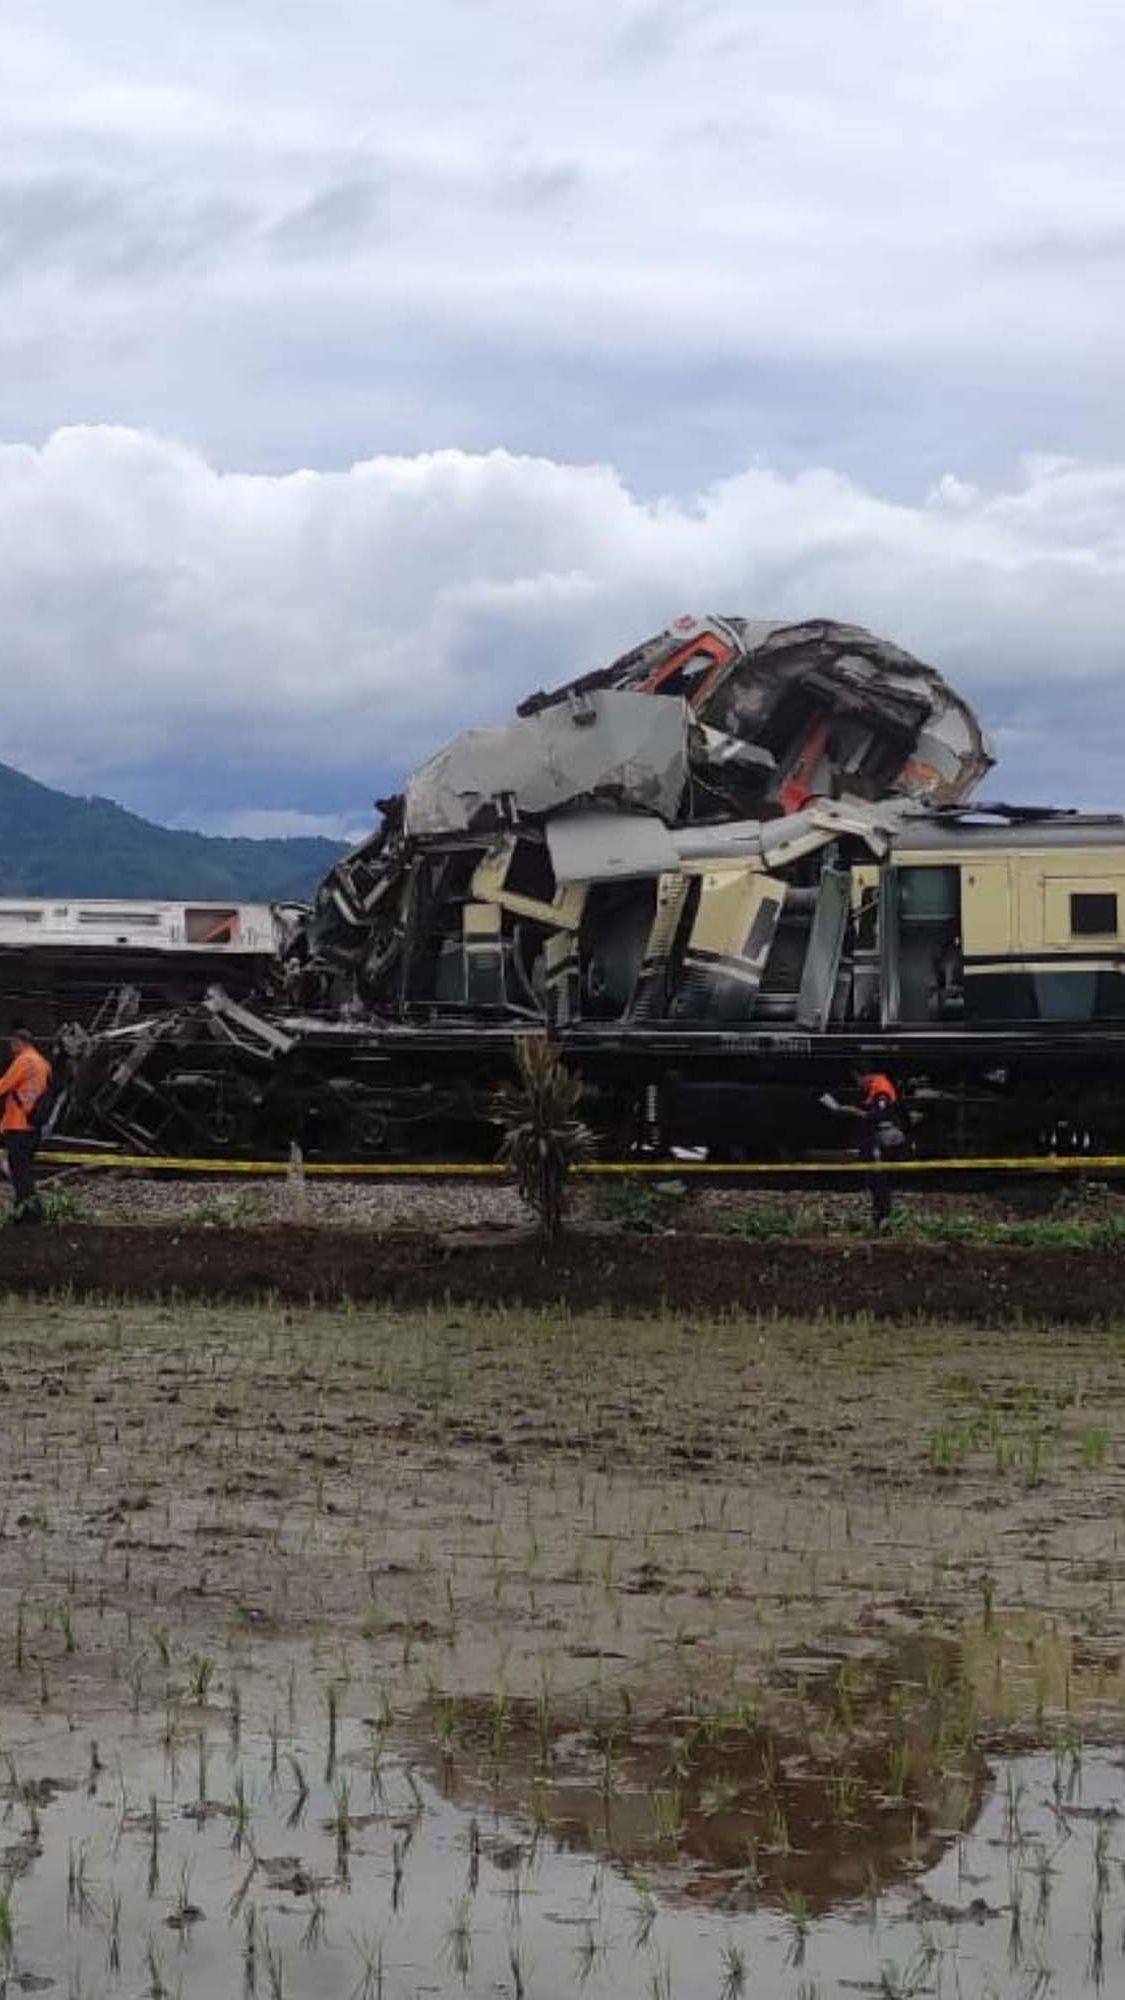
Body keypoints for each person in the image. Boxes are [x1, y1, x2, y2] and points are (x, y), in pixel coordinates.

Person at [821, 1070, 909, 1229]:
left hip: (882, 1142)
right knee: (876, 1181)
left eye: (858, 1080)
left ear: (865, 1076)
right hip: (877, 1140)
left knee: (880, 1181)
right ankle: (880, 1218)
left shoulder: (881, 1088)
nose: (858, 1085)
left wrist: (855, 1112)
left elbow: (879, 1115)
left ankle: (882, 1218)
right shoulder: (875, 1088)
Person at [0, 1023, 51, 1224]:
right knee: (24, 1170)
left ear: (18, 1043)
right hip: (34, 1125)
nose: (10, 1050)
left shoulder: (24, 1061)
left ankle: (30, 1213)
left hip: (19, 1125)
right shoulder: (43, 1063)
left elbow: (4, 1085)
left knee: (19, 1173)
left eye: (12, 1045)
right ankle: (29, 1212)